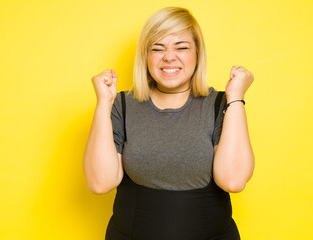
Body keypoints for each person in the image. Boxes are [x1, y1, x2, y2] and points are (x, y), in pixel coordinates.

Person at [84, 6, 254, 240]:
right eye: (157, 48)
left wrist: (236, 97)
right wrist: (104, 102)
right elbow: (100, 183)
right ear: (146, 55)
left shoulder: (220, 104)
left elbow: (233, 180)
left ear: (197, 53)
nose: (169, 57)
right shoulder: (122, 105)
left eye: (182, 47)